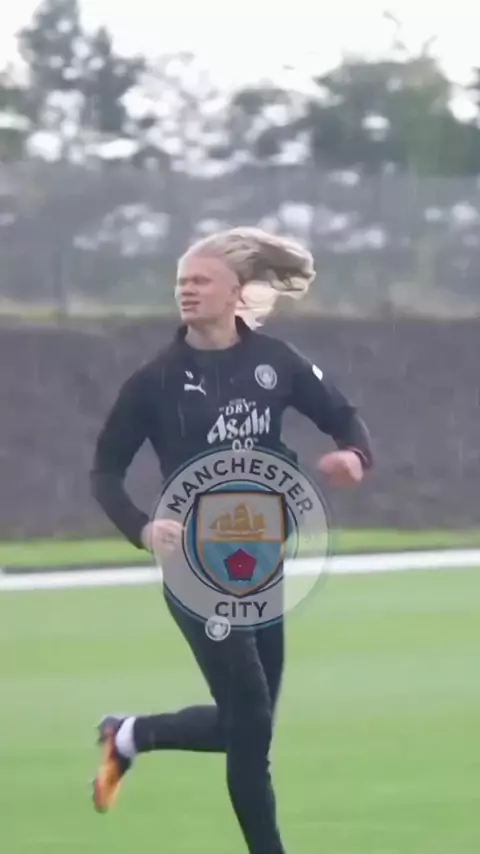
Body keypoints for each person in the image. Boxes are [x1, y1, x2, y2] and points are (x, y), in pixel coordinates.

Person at [89, 227, 373, 854]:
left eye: (201, 281)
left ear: (236, 292)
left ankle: (129, 735)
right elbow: (104, 471)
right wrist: (142, 527)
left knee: (251, 726)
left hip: (260, 562)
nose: (186, 290)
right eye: (181, 282)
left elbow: (344, 417)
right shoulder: (154, 381)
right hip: (194, 567)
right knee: (250, 726)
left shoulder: (277, 362)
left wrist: (354, 455)